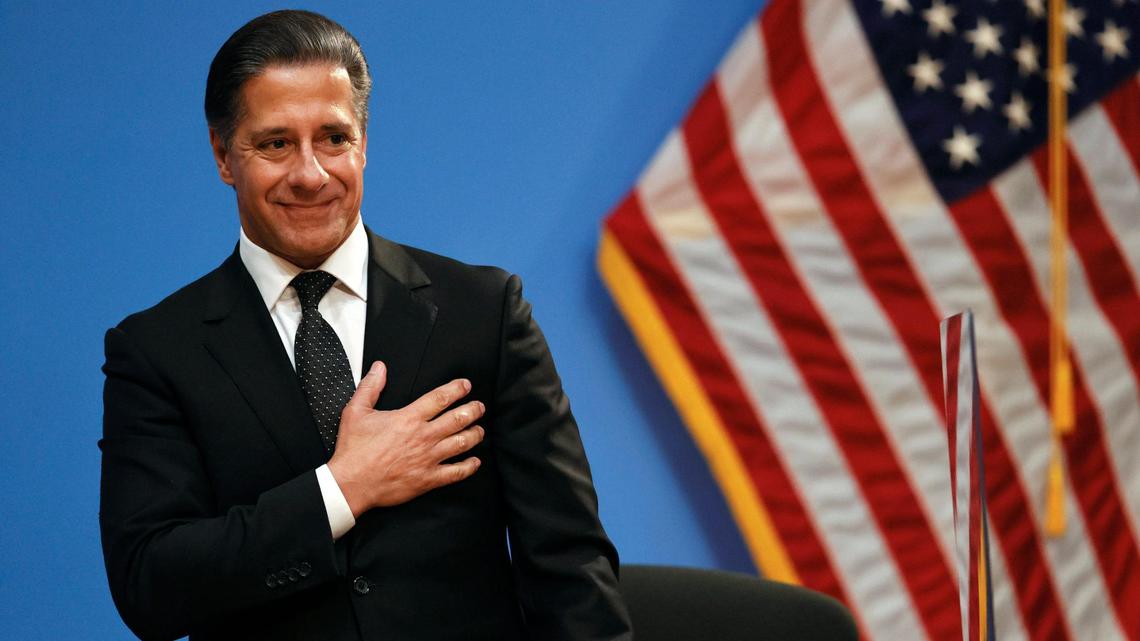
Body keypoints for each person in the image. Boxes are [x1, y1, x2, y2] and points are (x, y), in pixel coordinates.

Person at [98, 10, 632, 641]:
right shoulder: (158, 349)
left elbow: (570, 565)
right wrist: (341, 489)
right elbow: (150, 586)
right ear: (222, 155)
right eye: (275, 143)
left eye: (333, 138)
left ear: (364, 142)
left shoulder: (483, 311)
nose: (310, 173)